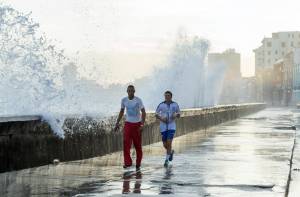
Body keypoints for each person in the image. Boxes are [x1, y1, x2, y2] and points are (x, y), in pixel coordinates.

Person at [114, 85, 146, 171]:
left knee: (137, 146)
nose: (130, 92)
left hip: (137, 125)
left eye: (132, 91)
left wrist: (142, 124)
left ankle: (138, 163)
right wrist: (117, 123)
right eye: (129, 91)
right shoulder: (124, 100)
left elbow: (143, 112)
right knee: (126, 143)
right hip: (128, 124)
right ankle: (127, 163)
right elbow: (121, 111)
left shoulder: (138, 100)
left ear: (134, 91)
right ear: (127, 91)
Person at [155, 91, 180, 167]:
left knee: (169, 143)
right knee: (165, 145)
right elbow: (156, 114)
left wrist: (175, 115)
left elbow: (179, 114)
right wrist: (161, 118)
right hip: (163, 127)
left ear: (171, 96)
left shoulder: (175, 104)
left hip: (172, 127)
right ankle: (171, 152)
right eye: (165, 96)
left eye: (168, 96)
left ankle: (166, 160)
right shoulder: (161, 104)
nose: (167, 97)